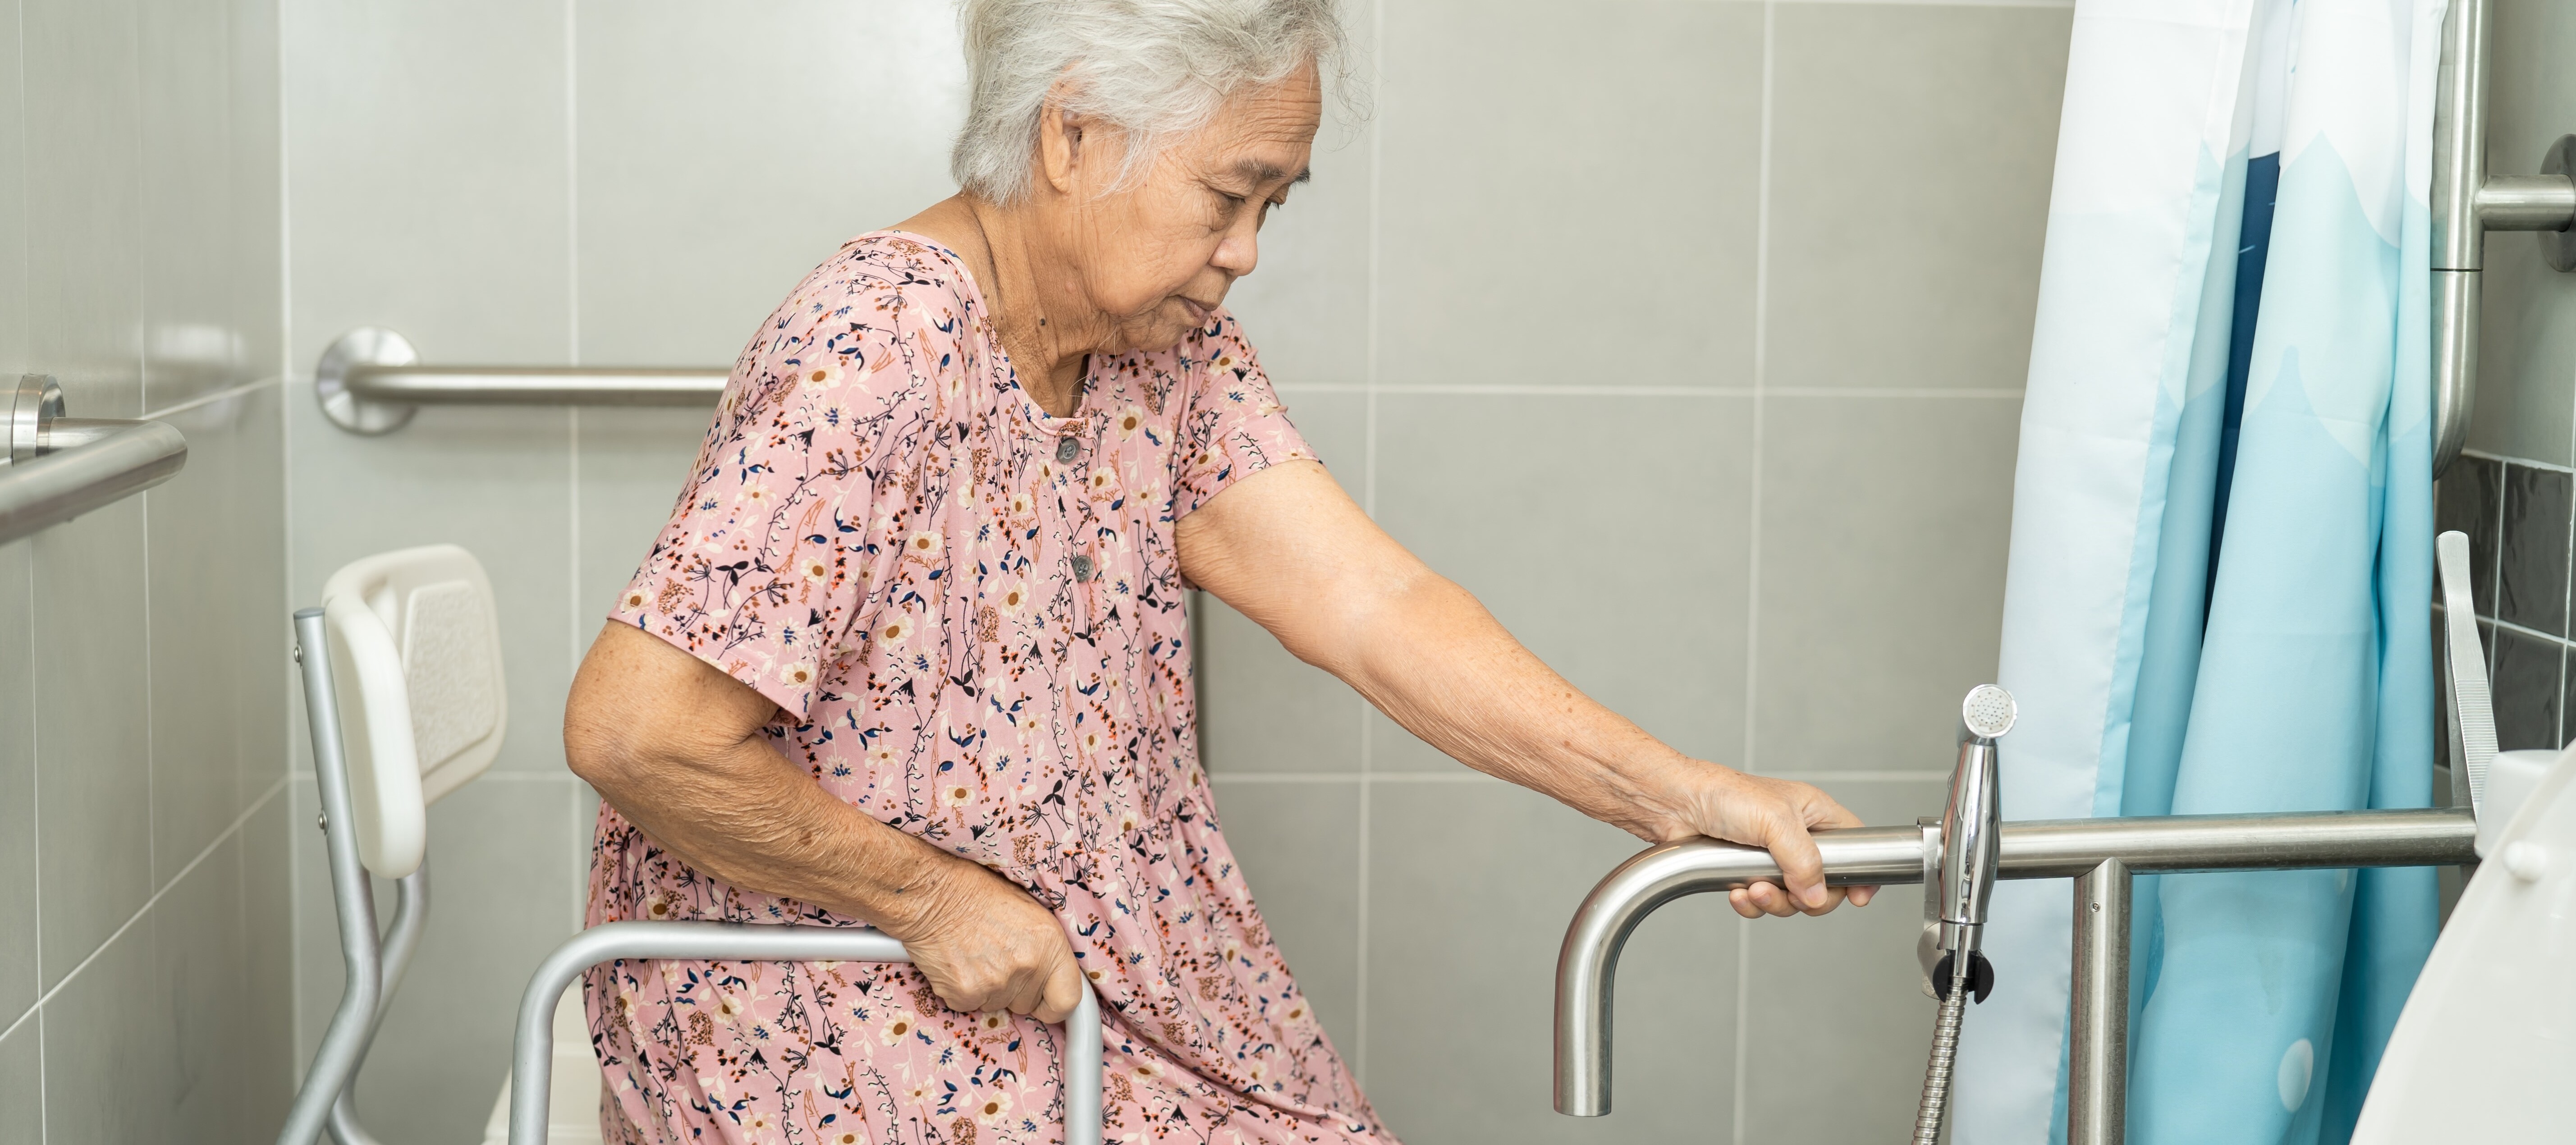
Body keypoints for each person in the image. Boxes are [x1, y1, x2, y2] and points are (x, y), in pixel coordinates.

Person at [562, 1, 1870, 1140]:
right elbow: (636, 731)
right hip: (821, 981)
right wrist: (927, 894)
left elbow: (1373, 608)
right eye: (1226, 194)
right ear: (1071, 136)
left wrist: (1677, 794)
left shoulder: (1164, 350)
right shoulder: (875, 347)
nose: (1247, 249)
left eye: (1271, 205)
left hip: (1092, 967)